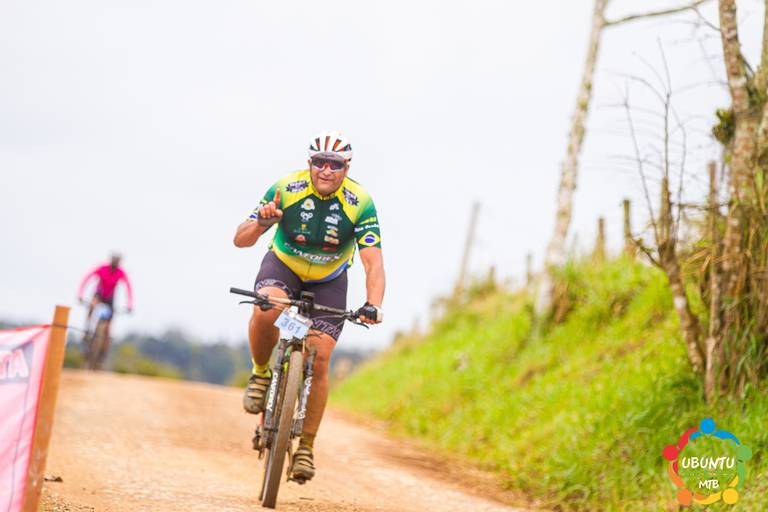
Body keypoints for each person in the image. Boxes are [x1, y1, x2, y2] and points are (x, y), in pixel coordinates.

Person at [233, 130, 385, 482]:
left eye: (335, 164)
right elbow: (240, 239)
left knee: (320, 356)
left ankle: (306, 447)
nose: (327, 170)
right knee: (267, 308)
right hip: (284, 265)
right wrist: (262, 222)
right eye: (320, 162)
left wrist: (373, 304)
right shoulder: (287, 188)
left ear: (347, 168)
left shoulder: (360, 202)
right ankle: (260, 374)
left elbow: (373, 261)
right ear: (309, 164)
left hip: (329, 280)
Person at [77, 253, 134, 346]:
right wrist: (80, 294)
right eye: (114, 261)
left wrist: (129, 305)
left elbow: (128, 288)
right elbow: (87, 278)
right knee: (92, 305)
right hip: (99, 294)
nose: (115, 263)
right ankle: (87, 330)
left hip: (110, 298)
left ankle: (104, 345)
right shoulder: (103, 268)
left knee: (109, 322)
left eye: (117, 262)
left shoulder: (121, 272)